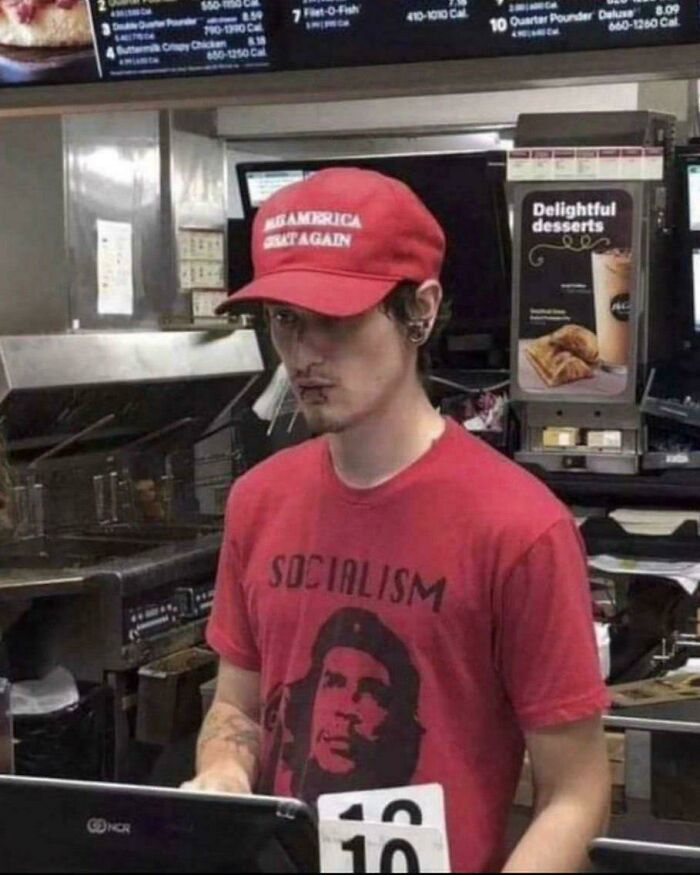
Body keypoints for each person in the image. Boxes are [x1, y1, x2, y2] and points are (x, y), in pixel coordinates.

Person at [183, 167, 611, 872]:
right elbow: (241, 708)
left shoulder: (519, 527)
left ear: (420, 310)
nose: (303, 355)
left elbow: (576, 790)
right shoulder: (258, 502)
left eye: (337, 318)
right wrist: (226, 770)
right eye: (285, 319)